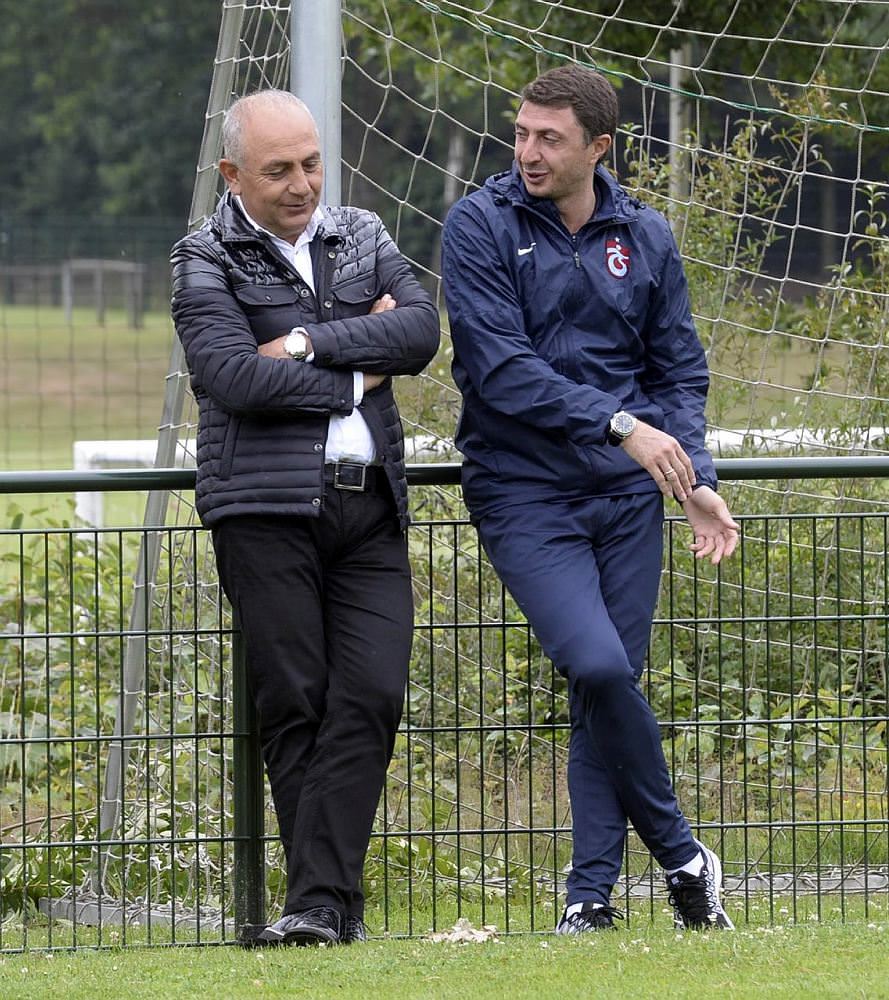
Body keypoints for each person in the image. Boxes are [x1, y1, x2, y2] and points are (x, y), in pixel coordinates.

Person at [440, 64, 739, 933]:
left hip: (625, 499)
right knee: (600, 667)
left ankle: (588, 898)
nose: (527, 151)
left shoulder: (644, 236)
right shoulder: (479, 224)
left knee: (602, 689)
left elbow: (678, 373)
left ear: (598, 147)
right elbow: (500, 370)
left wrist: (694, 479)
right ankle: (683, 856)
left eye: (549, 138)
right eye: (520, 133)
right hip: (523, 491)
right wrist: (621, 426)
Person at [170, 89, 440, 946]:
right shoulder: (201, 255)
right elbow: (233, 379)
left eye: (312, 164)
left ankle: (316, 907)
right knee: (296, 702)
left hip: (370, 507)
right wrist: (363, 365)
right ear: (232, 174)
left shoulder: (362, 232)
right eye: (279, 170)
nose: (301, 185)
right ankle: (323, 908)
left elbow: (422, 332)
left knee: (373, 693)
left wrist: (304, 344)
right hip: (262, 509)